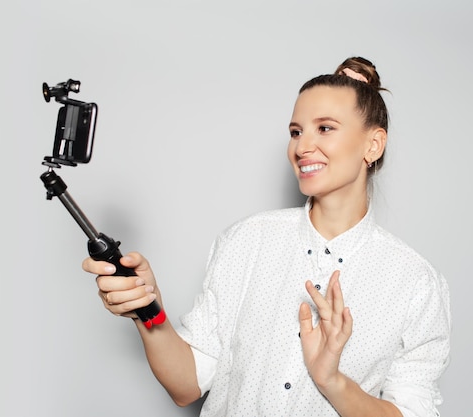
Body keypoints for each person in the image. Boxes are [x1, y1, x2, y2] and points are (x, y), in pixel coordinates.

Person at [83, 56, 451, 417]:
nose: (302, 147)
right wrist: (149, 312)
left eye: (324, 128)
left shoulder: (415, 282)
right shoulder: (246, 241)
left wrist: (332, 381)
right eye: (296, 131)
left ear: (373, 145)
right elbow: (186, 387)